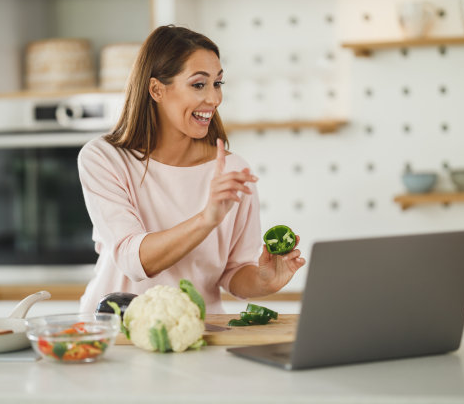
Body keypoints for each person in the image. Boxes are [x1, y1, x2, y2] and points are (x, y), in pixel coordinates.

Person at [78, 25, 305, 314]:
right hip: (116, 332)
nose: (214, 99)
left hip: (200, 331)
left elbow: (234, 273)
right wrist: (206, 219)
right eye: (199, 84)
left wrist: (264, 280)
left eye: (218, 83)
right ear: (157, 89)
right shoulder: (105, 159)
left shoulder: (232, 169)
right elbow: (133, 260)